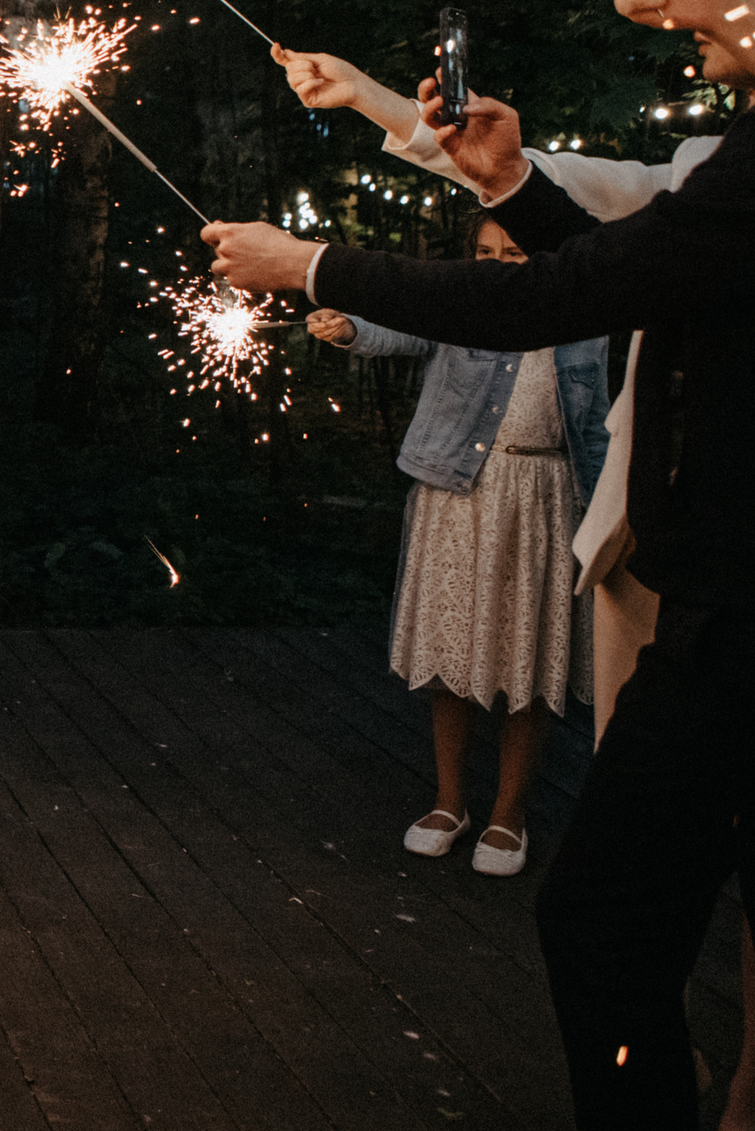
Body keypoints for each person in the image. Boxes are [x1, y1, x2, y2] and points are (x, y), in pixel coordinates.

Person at [202, 0, 755, 1131]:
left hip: (736, 628)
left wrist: (313, 265)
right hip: (716, 609)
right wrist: (506, 182)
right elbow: (628, 266)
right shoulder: (735, 162)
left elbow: (557, 297)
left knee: (598, 920)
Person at [274, 39, 713, 730]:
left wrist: (312, 264)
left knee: (548, 674)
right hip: (549, 504)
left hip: (592, 503)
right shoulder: (697, 172)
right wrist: (367, 96)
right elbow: (542, 180)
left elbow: (526, 292)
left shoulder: (682, 222)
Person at [306, 216, 608, 876]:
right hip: (457, 491)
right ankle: (449, 803)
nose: (497, 264)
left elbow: (603, 420)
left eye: (515, 251)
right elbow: (399, 326)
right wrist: (350, 328)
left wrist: (613, 510)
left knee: (529, 659)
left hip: (545, 496)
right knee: (452, 650)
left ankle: (508, 814)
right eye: (484, 251)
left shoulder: (586, 317)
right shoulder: (461, 301)